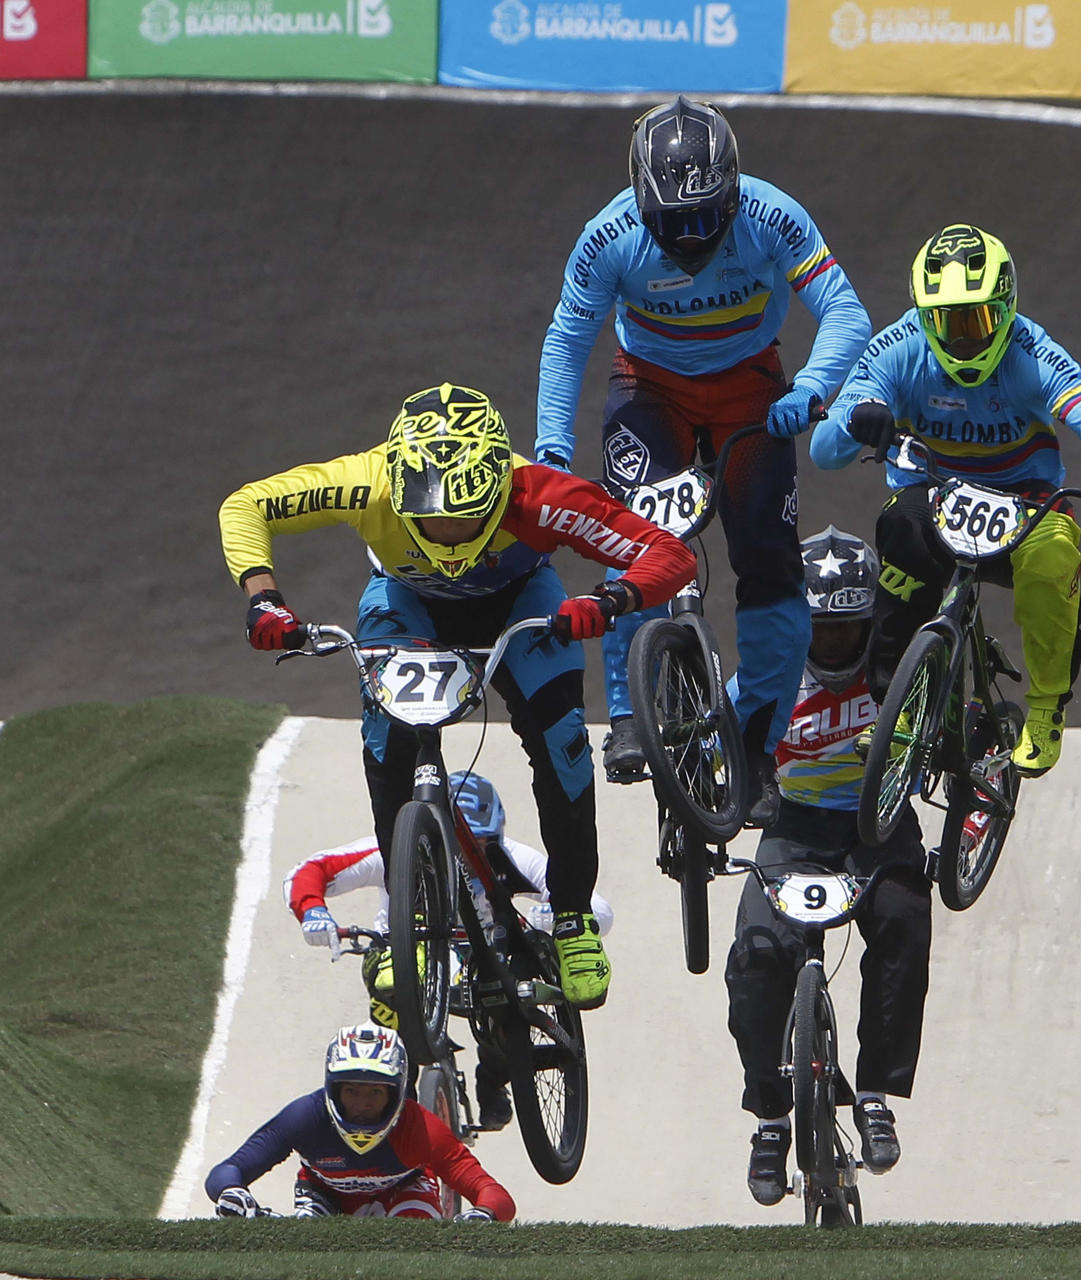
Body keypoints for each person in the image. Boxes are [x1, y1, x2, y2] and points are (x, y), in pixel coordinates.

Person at [219, 382, 696, 1009]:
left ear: (499, 490)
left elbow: (667, 553)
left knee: (562, 742)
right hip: (407, 603)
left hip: (521, 605)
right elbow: (246, 505)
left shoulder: (541, 494)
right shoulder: (366, 482)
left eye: (465, 515)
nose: (447, 531)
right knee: (387, 741)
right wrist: (264, 598)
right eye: (431, 514)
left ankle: (573, 916)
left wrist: (609, 600)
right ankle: (410, 919)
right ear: (399, 487)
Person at [534, 95, 873, 826]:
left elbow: (846, 311)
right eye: (673, 223)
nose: (690, 237)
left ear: (735, 192)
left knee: (770, 566)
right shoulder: (607, 237)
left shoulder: (774, 215)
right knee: (630, 541)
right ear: (639, 200)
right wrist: (552, 449)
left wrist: (811, 387)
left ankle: (757, 747)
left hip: (752, 389)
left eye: (706, 218)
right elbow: (567, 341)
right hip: (650, 390)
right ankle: (629, 714)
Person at [810, 223, 1081, 777]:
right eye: (949, 323)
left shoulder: (1031, 351)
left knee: (1053, 557)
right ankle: (899, 706)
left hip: (1024, 500)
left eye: (979, 321)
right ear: (924, 317)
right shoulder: (898, 348)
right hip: (935, 495)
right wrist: (857, 416)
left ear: (1007, 309)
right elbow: (825, 452)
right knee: (900, 529)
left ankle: (1046, 705)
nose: (965, 339)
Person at [725, 527, 931, 1211]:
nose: (836, 642)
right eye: (822, 628)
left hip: (881, 826)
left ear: (873, 619)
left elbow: (953, 732)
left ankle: (874, 1093)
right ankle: (770, 1119)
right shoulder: (767, 674)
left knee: (904, 921)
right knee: (756, 959)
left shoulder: (903, 670)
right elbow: (713, 749)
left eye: (850, 627)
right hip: (794, 829)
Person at [287, 770, 616, 1132]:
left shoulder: (516, 857)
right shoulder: (395, 849)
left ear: (498, 837)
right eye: (455, 845)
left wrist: (551, 915)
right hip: (407, 953)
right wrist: (312, 911)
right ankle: (402, 1087)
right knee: (389, 981)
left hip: (482, 961)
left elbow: (597, 910)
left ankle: (495, 1076)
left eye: (479, 844)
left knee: (508, 999)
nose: (465, 858)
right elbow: (311, 869)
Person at [206, 1024, 515, 1220]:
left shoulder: (422, 1128)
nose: (362, 1105)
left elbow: (494, 1194)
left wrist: (483, 1215)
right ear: (333, 1090)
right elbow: (227, 1171)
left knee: (416, 1239)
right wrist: (233, 1193)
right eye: (352, 1091)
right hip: (323, 1195)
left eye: (375, 1092)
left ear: (396, 1093)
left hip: (405, 1192)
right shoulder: (305, 1116)